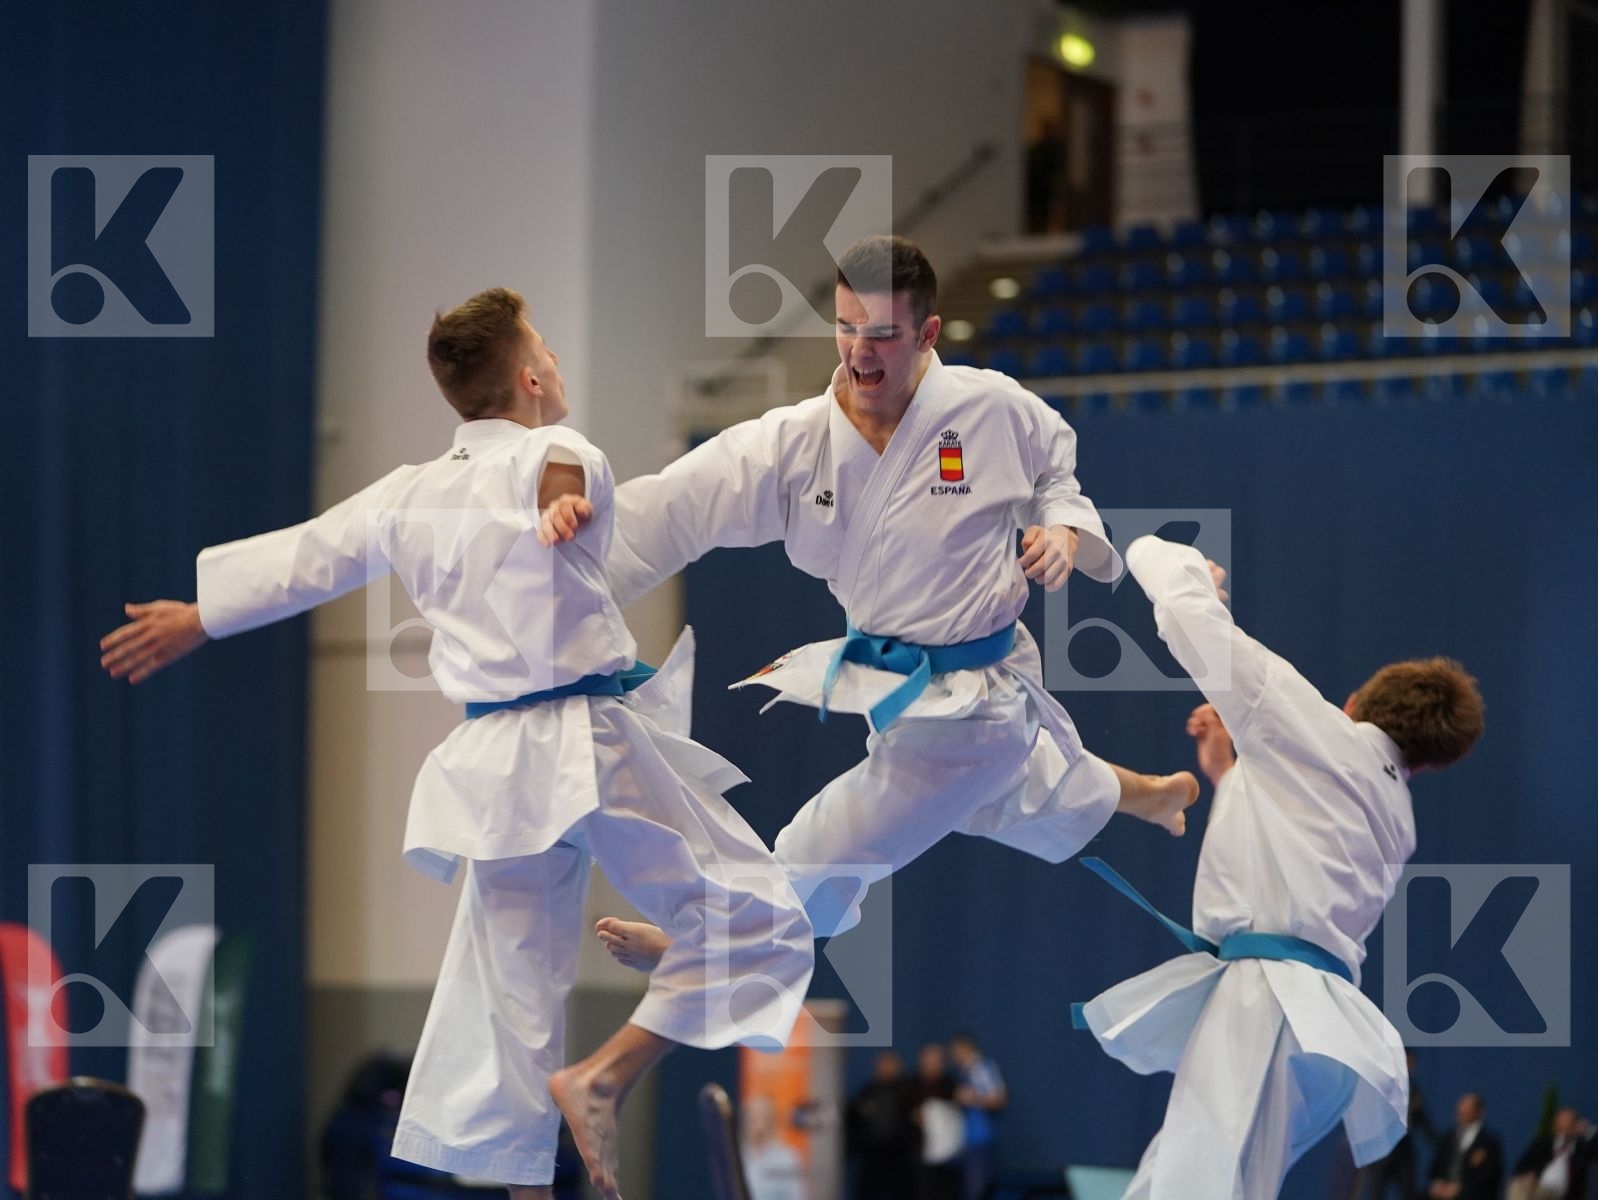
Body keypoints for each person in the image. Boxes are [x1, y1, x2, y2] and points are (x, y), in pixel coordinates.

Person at [97, 287, 814, 1200]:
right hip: (583, 740)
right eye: (545, 344)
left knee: (511, 998)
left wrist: (203, 614)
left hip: (493, 769)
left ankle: (528, 1184)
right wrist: (558, 510)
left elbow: (312, 555)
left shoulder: (408, 493)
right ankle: (612, 1071)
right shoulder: (557, 450)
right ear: (527, 373)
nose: (554, 358)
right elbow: (563, 477)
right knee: (765, 916)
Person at [584, 233, 1196, 971]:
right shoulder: (792, 445)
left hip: (979, 692)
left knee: (831, 840)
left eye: (882, 334)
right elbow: (670, 510)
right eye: (846, 327)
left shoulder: (990, 408)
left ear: (928, 333)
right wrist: (566, 579)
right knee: (1008, 793)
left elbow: (1054, 466)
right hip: (893, 687)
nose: (859, 352)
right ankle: (1153, 794)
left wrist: (1063, 531)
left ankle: (704, 943)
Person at [1076, 535, 1485, 1200]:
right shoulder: (1395, 812)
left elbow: (1188, 620)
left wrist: (1175, 564)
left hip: (1267, 1001)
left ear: (1353, 703)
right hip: (1316, 1019)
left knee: (1196, 1185)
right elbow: (1297, 839)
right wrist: (1230, 776)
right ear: (1429, 762)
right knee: (1174, 1179)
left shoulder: (1320, 731)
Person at [1361, 1051, 1437, 1199]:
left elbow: (1421, 1118)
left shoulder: (1413, 1090)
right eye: (1408, 1063)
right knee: (1376, 1192)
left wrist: (1440, 1143)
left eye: (1412, 1064)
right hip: (1382, 1150)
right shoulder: (1382, 1086)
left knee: (1408, 1191)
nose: (1410, 1067)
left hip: (1404, 1151)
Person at [847, 1051, 917, 1200]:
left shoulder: (907, 1090)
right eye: (883, 1065)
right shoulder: (869, 1089)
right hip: (873, 1152)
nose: (886, 1068)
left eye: (890, 1065)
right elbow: (857, 1117)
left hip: (899, 1153)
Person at [948, 1033, 1006, 1200]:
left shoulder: (981, 1068)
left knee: (977, 1192)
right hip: (967, 1141)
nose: (953, 1055)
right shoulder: (967, 1071)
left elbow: (999, 1099)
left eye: (955, 1050)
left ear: (965, 1048)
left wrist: (971, 1097)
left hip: (979, 1140)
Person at [910, 1044, 964, 1200]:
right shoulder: (911, 1085)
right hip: (918, 1152)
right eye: (928, 1060)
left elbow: (957, 1113)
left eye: (936, 1060)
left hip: (948, 1155)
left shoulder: (950, 1085)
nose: (932, 1064)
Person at [1428, 1094, 1503, 1200]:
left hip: (1472, 1194)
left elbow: (1490, 1176)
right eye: (1460, 1107)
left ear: (1479, 1111)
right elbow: (1435, 1168)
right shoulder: (1448, 1138)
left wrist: (1459, 1188)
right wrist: (1439, 1184)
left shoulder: (1489, 1142)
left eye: (1467, 1108)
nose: (1461, 1111)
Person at [1509, 1107, 1593, 1200]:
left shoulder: (1581, 1149)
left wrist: (1589, 1130)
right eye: (1564, 1120)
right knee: (1518, 1185)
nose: (1568, 1124)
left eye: (1572, 1121)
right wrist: (1529, 1175)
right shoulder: (1542, 1144)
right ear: (1556, 1124)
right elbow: (1520, 1166)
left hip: (1560, 1194)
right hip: (1537, 1187)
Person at [742, 1093, 806, 1200]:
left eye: (763, 1118)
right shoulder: (736, 1155)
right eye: (753, 1118)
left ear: (771, 1121)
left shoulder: (787, 1158)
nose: (759, 1126)